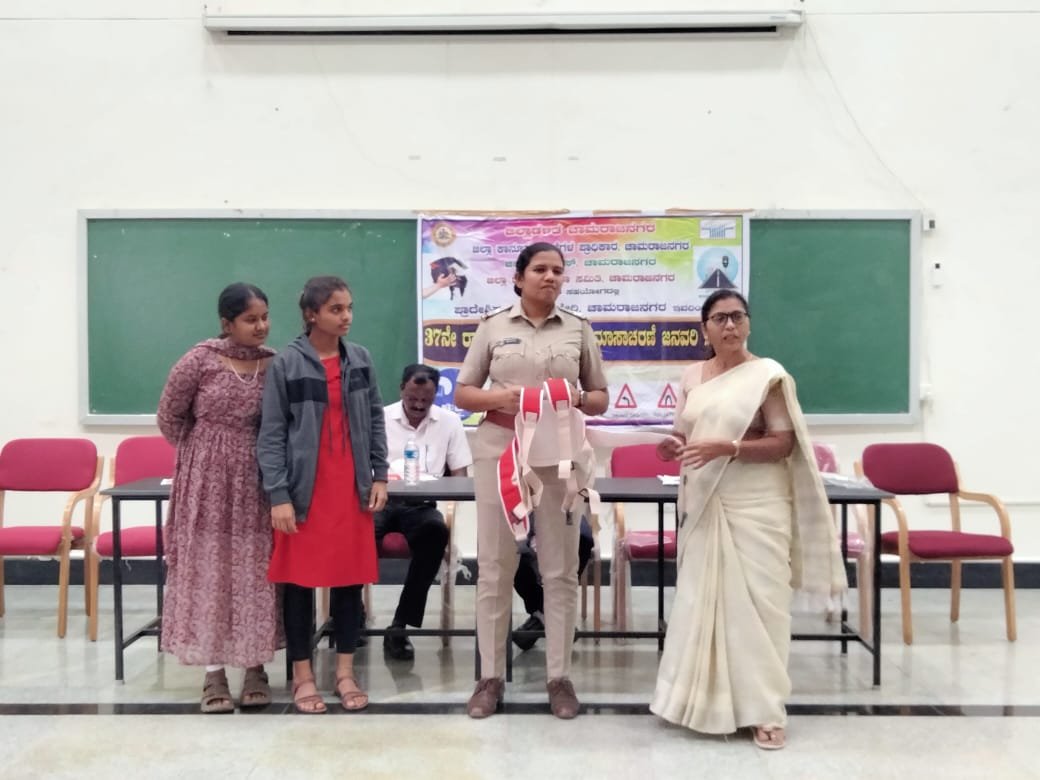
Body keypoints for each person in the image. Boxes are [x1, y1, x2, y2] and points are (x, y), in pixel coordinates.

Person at [650, 290, 846, 750]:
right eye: (720, 318)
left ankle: (765, 713)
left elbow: (783, 443)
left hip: (758, 503)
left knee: (760, 611)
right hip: (705, 500)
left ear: (749, 324)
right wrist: (671, 446)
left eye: (738, 317)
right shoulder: (692, 376)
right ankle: (697, 703)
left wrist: (730, 448)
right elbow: (683, 433)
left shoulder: (767, 376)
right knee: (700, 603)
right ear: (705, 328)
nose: (730, 326)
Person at [454, 241, 609, 720]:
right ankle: (490, 678)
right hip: (500, 451)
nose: (550, 277)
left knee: (560, 570)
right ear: (518, 279)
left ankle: (559, 678)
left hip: (559, 455)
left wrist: (575, 398)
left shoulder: (578, 329)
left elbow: (600, 397)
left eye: (558, 270)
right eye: (540, 269)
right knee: (495, 567)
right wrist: (500, 398)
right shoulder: (492, 327)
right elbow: (463, 393)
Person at [258, 275, 388, 714]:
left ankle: (345, 673)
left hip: (352, 491)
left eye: (349, 307)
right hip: (304, 494)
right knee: (299, 586)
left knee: (349, 583)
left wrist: (380, 475)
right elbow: (271, 434)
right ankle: (303, 676)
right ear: (311, 314)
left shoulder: (361, 359)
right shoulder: (286, 364)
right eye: (336, 309)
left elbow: (375, 419)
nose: (346, 316)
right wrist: (278, 494)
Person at [157, 282, 280, 713]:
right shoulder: (200, 359)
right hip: (206, 483)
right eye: (250, 319)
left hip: (257, 480)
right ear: (227, 323)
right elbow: (169, 416)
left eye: (265, 317)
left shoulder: (274, 363)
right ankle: (213, 673)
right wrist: (204, 453)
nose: (261, 326)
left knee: (254, 570)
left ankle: (255, 667)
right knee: (210, 569)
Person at [377, 363, 472, 660]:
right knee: (354, 534)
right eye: (412, 398)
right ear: (401, 390)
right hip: (380, 501)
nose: (418, 405)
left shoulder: (449, 423)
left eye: (426, 400)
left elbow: (460, 475)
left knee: (436, 533)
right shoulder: (380, 418)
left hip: (421, 505)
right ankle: (351, 613)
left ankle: (400, 625)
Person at [512, 517, 594, 652]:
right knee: (513, 553)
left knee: (583, 539)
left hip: (566, 522)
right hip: (525, 524)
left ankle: (544, 614)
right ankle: (555, 616)